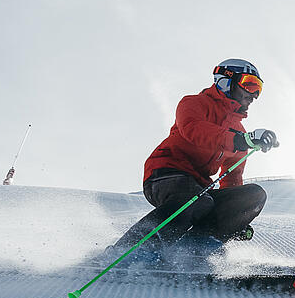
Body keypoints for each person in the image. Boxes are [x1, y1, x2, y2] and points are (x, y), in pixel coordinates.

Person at [113, 58, 278, 254]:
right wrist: (241, 140)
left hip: (199, 189)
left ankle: (191, 253)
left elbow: (232, 180)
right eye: (249, 84)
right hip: (165, 174)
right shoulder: (194, 103)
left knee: (253, 195)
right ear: (226, 81)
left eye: (258, 89)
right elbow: (194, 130)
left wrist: (236, 217)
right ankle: (130, 250)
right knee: (197, 200)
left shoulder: (239, 133)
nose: (254, 95)